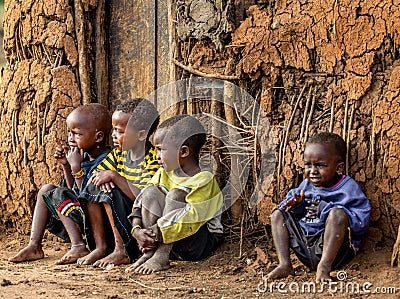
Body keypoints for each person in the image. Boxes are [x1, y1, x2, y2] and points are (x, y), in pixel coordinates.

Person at [9, 103, 112, 264]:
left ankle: (79, 245)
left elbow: (87, 196)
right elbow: (72, 190)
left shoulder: (108, 160)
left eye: (76, 134)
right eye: (69, 133)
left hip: (101, 228)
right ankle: (34, 245)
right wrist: (66, 165)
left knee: (58, 194)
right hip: (84, 220)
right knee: (46, 190)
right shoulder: (82, 156)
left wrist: (76, 168)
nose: (70, 138)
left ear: (98, 137)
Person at [125, 114, 224, 275]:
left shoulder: (204, 180)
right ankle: (150, 253)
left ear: (183, 152)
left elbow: (190, 218)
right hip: (162, 239)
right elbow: (141, 200)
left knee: (175, 195)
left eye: (160, 149)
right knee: (150, 192)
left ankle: (162, 255)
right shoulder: (164, 173)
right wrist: (136, 229)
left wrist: (154, 231)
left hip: (197, 244)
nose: (156, 156)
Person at [267, 132, 371, 282]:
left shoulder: (348, 188)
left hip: (335, 253)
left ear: (339, 167)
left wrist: (325, 209)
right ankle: (285, 264)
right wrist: (297, 205)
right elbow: (290, 204)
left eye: (320, 165)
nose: (313, 171)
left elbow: (361, 222)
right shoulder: (307, 185)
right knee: (279, 213)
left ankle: (324, 268)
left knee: (337, 215)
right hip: (306, 247)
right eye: (308, 165)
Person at [77, 99, 160, 267]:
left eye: (119, 131)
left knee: (109, 188)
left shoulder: (152, 160)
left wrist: (114, 177)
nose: (113, 135)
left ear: (141, 135)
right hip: (116, 219)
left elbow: (144, 199)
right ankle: (101, 246)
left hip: (139, 222)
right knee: (96, 184)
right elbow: (96, 174)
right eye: (113, 129)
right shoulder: (117, 155)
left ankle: (122, 250)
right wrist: (104, 178)